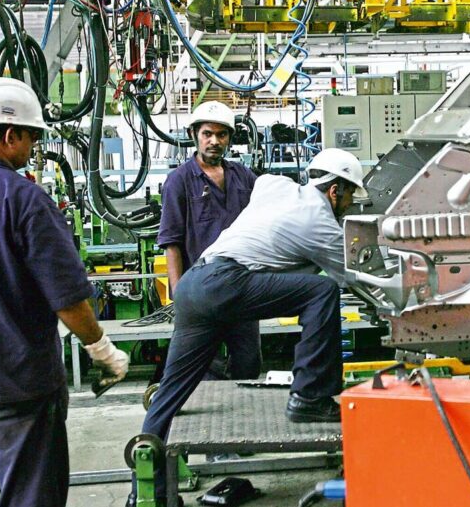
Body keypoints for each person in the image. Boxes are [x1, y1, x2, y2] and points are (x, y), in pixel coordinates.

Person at [0, 78, 129, 507]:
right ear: (10, 134)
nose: (33, 147)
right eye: (31, 137)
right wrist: (101, 348)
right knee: (32, 492)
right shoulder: (23, 198)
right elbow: (67, 296)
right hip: (18, 380)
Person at [136, 148, 367, 503]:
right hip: (226, 283)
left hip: (194, 285)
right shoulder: (320, 222)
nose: (351, 203)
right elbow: (357, 279)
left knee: (171, 390)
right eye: (350, 193)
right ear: (334, 190)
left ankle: (147, 494)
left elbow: (263, 193)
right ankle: (310, 396)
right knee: (322, 290)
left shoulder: (275, 185)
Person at [157, 101, 259, 380]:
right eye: (207, 134)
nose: (214, 141)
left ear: (229, 138)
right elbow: (171, 242)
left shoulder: (243, 176)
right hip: (200, 292)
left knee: (249, 363)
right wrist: (179, 295)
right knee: (202, 368)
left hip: (242, 289)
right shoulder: (179, 181)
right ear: (194, 135)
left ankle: (246, 417)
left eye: (221, 135)